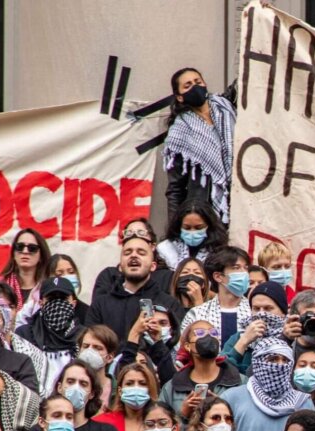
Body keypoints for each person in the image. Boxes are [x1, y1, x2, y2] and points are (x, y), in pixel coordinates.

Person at [163, 68, 235, 224]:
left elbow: (247, 80)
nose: (195, 87)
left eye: (198, 82)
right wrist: (174, 230)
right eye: (187, 85)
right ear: (180, 97)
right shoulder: (179, 133)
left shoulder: (227, 106)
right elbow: (176, 189)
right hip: (207, 214)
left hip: (242, 200)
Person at [90, 237, 184, 340]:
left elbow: (175, 342)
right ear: (120, 266)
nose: (133, 255)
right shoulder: (101, 304)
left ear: (153, 266)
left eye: (141, 253)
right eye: (127, 253)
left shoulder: (169, 304)